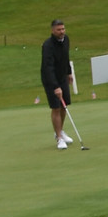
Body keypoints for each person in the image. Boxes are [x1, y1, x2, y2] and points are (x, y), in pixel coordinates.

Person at [41, 19, 72, 148]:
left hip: (62, 77)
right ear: (53, 31)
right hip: (50, 80)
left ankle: (59, 131)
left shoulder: (66, 40)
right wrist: (55, 87)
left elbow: (66, 57)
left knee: (64, 106)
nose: (62, 32)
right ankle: (59, 138)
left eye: (63, 29)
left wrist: (69, 73)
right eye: (59, 30)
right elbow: (48, 67)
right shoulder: (48, 45)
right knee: (56, 107)